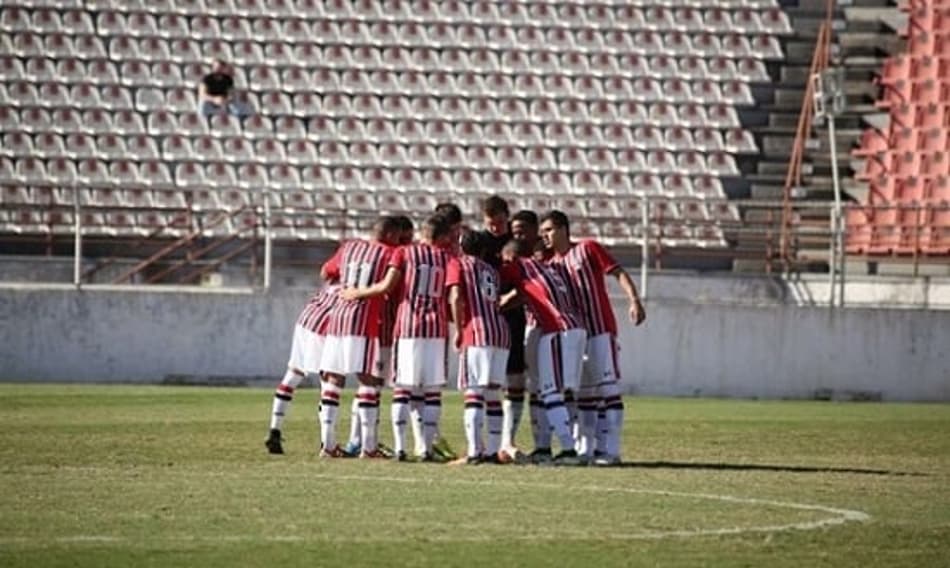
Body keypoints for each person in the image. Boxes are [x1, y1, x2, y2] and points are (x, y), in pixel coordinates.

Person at [342, 214, 460, 461]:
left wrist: (357, 293)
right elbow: (453, 296)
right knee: (431, 392)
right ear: (442, 237)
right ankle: (426, 449)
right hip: (436, 329)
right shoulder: (448, 258)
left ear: (423, 233)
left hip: (407, 325)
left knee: (401, 390)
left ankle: (400, 448)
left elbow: (386, 286)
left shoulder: (404, 253)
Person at [540, 210, 646, 466]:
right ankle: (586, 449)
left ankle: (612, 449)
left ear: (564, 229)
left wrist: (634, 300)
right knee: (586, 395)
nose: (545, 236)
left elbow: (617, 271)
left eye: (549, 230)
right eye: (543, 232)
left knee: (609, 389)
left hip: (600, 329)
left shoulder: (588, 248)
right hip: (575, 335)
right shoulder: (551, 264)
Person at [316, 216, 402, 458]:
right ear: (391, 235)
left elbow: (325, 272)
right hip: (363, 320)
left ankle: (328, 445)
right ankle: (369, 447)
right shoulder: (391, 252)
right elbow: (390, 285)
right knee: (368, 381)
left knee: (333, 380)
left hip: (338, 317)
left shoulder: (350, 246)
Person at [499, 239, 586, 465]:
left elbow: (491, 280)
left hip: (557, 329)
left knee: (549, 392)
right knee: (561, 392)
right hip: (574, 326)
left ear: (510, 257)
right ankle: (554, 449)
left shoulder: (517, 266)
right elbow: (523, 293)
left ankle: (568, 450)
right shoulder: (543, 267)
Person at [342, 216, 413, 457]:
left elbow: (329, 271)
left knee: (369, 385)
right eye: (406, 237)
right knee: (372, 386)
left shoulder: (367, 251)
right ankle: (362, 442)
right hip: (385, 330)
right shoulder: (396, 257)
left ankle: (359, 441)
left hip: (380, 327)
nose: (408, 242)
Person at [447, 230, 510, 464]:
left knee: (473, 393)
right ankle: (493, 451)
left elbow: (455, 296)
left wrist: (459, 329)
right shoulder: (491, 270)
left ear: (462, 246)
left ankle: (474, 452)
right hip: (500, 332)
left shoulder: (458, 264)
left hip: (477, 331)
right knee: (493, 394)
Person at [477, 196, 528, 463]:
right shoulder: (480, 244)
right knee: (487, 381)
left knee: (516, 378)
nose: (496, 228)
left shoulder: (517, 242)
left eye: (499, 222)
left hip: (515, 316)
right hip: (486, 320)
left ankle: (508, 440)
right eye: (491, 223)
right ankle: (490, 442)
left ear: (507, 217)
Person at [264, 278, 339, 455]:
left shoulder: (339, 267)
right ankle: (327, 444)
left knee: (292, 374)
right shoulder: (358, 281)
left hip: (306, 319)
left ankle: (274, 430)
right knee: (329, 379)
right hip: (323, 325)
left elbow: (325, 271)